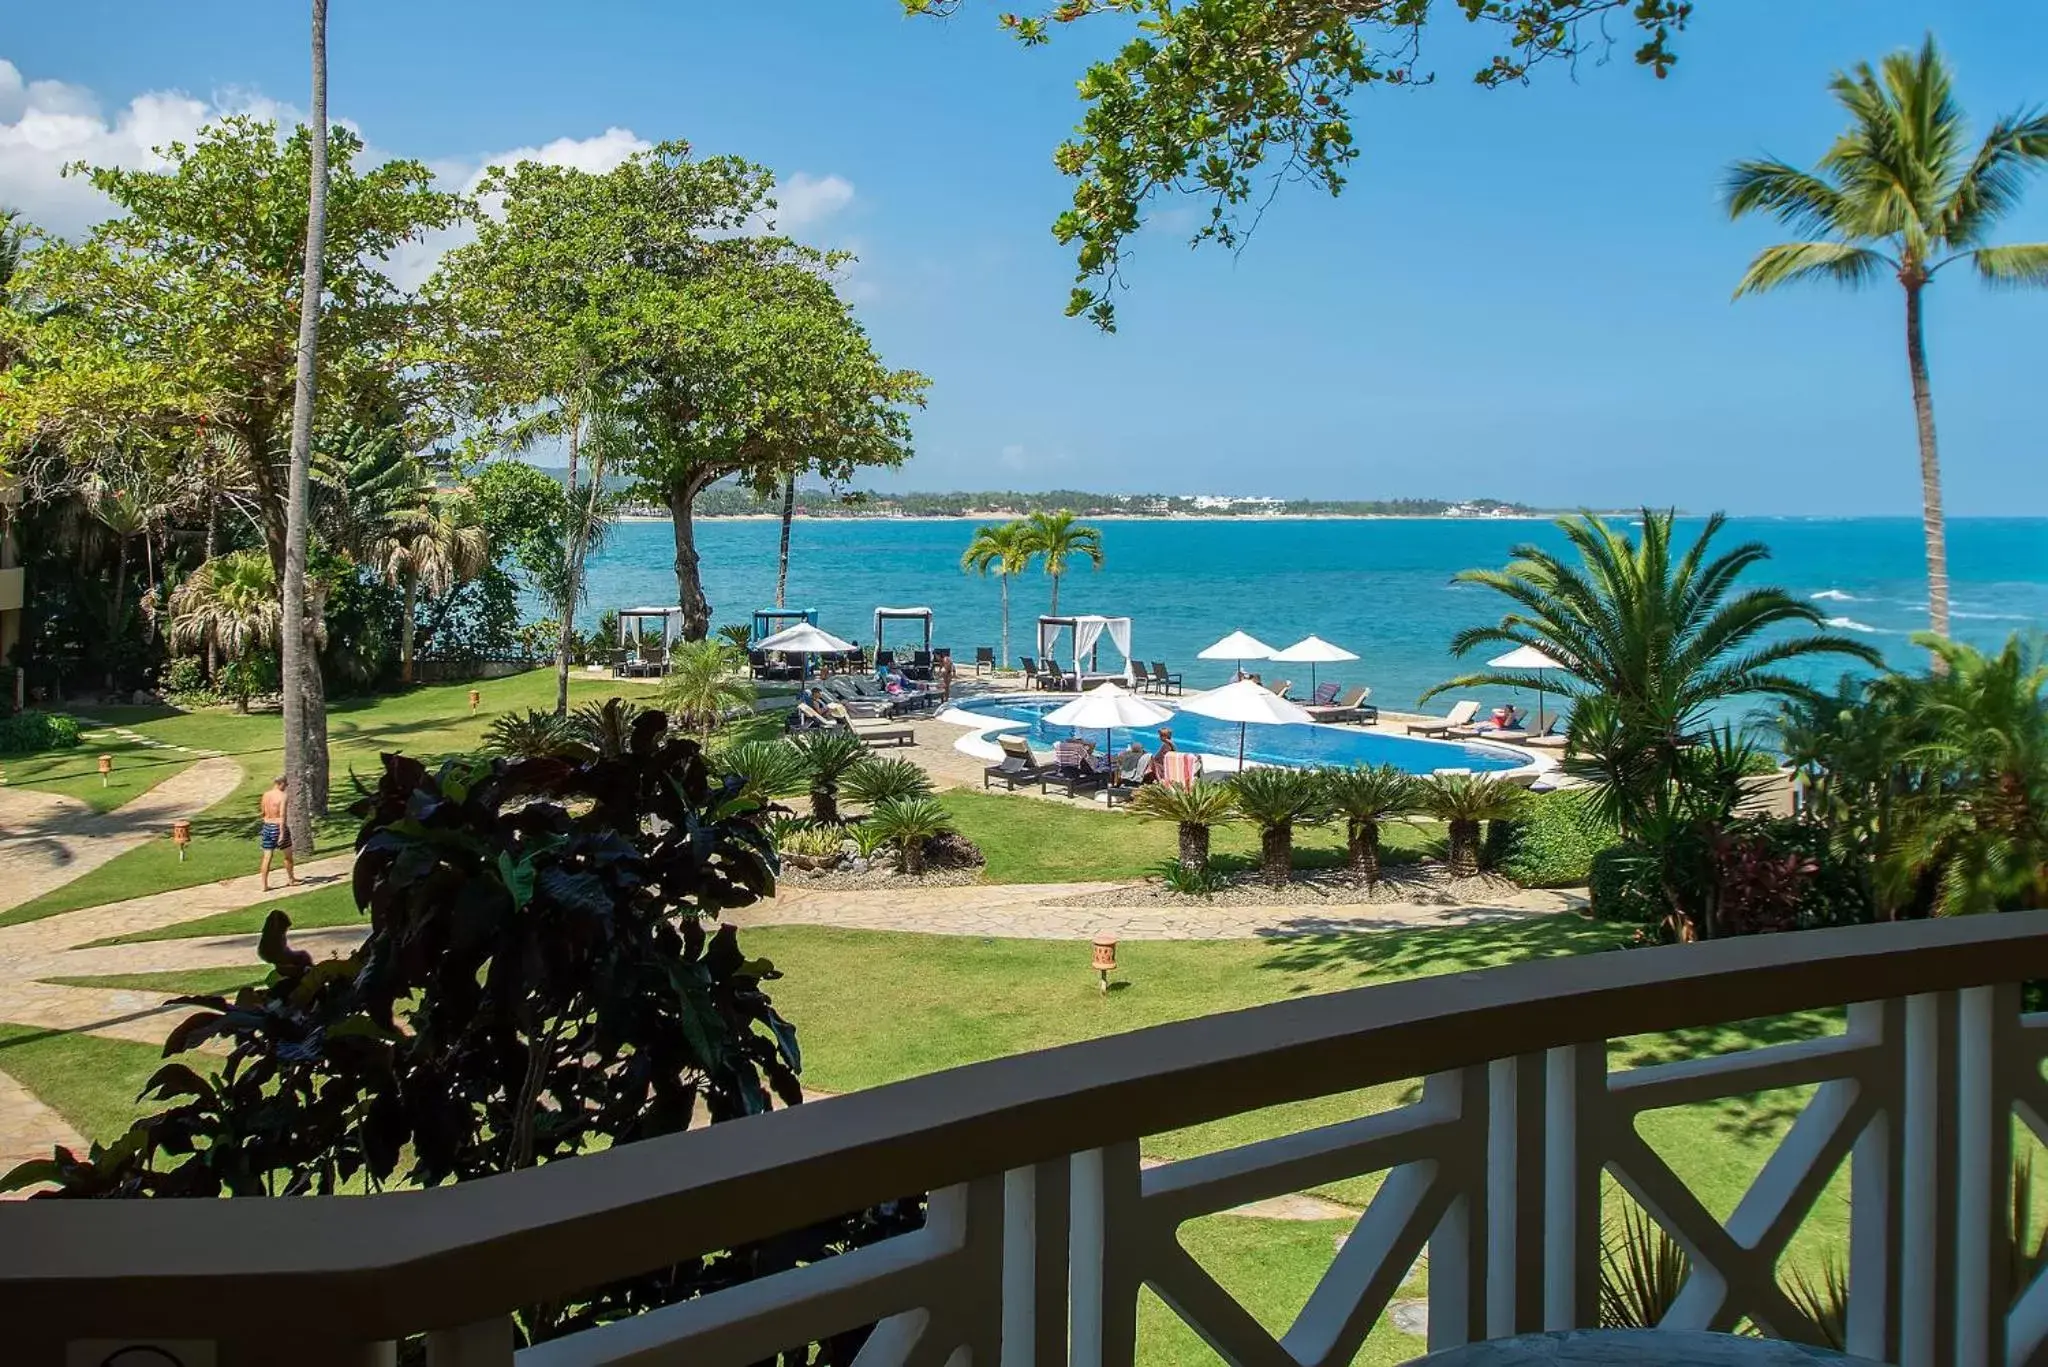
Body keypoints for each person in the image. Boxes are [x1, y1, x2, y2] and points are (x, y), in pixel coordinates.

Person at [258, 775, 297, 890]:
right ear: (281, 783)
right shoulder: (283, 796)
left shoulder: (266, 795)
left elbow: (263, 812)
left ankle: (264, 885)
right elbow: (282, 815)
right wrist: (281, 833)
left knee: (267, 857)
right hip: (278, 827)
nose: (286, 786)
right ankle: (291, 879)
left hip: (267, 826)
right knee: (288, 855)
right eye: (286, 784)